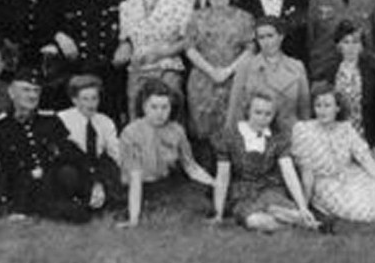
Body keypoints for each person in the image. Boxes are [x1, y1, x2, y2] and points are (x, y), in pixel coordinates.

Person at [291, 85, 375, 225]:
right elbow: (307, 174)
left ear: (337, 108)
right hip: (327, 183)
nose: (322, 110)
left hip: (353, 175)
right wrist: (304, 207)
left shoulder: (346, 129)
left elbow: (370, 164)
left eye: (327, 105)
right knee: (363, 208)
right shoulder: (304, 130)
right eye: (318, 105)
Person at [0, 70, 89, 222]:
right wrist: (3, 205)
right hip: (20, 189)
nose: (32, 96)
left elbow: (73, 154)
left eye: (36, 91)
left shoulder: (50, 120)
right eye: (26, 90)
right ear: (11, 92)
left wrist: (94, 183)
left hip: (50, 185)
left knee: (69, 180)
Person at [211, 93, 319, 232]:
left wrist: (303, 206)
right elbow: (222, 176)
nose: (262, 118)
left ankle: (296, 216)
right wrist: (218, 213)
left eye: (268, 114)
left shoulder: (277, 138)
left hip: (270, 189)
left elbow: (289, 172)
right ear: (248, 111)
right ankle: (302, 222)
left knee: (279, 209)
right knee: (255, 221)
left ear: (274, 116)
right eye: (258, 112)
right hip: (243, 193)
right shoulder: (229, 136)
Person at [183, 0, 255, 170]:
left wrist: (228, 71)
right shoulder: (196, 17)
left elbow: (250, 49)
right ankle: (206, 175)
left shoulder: (244, 18)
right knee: (203, 129)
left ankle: (233, 172)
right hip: (203, 81)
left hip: (234, 80)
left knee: (232, 125)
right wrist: (211, 71)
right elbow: (189, 48)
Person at [117, 80, 215, 227]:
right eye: (154, 107)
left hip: (165, 184)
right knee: (179, 209)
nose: (160, 113)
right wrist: (133, 221)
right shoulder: (130, 133)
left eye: (164, 107)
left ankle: (165, 210)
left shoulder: (177, 130)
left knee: (204, 201)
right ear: (144, 107)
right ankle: (141, 212)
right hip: (139, 186)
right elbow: (135, 177)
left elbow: (191, 167)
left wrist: (216, 184)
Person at [53, 0, 125, 120]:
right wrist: (59, 35)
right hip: (74, 74)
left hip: (110, 75)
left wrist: (128, 44)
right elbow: (46, 26)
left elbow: (136, 28)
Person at [116, 0, 193, 118]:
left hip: (167, 67)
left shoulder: (180, 3)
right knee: (137, 116)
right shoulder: (127, 5)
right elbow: (126, 39)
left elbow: (188, 39)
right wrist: (123, 51)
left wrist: (162, 53)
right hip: (138, 68)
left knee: (167, 114)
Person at [225, 17, 310, 135]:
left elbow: (304, 109)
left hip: (290, 134)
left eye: (270, 36)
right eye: (261, 37)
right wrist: (233, 136)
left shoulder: (297, 67)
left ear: (281, 37)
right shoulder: (246, 66)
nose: (266, 42)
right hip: (256, 135)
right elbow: (235, 107)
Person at [55, 75, 122, 215]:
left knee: (113, 171)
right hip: (74, 166)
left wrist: (129, 170)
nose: (91, 104)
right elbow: (65, 154)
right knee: (67, 173)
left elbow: (115, 152)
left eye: (94, 98)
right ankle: (79, 201)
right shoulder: (62, 120)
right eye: (85, 99)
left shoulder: (105, 121)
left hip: (96, 166)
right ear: (74, 100)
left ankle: (102, 199)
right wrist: (93, 182)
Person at [329, 21, 375, 154]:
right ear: (339, 45)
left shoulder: (373, 73)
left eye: (355, 42)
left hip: (368, 138)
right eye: (346, 42)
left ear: (362, 46)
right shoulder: (329, 73)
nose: (351, 47)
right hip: (338, 138)